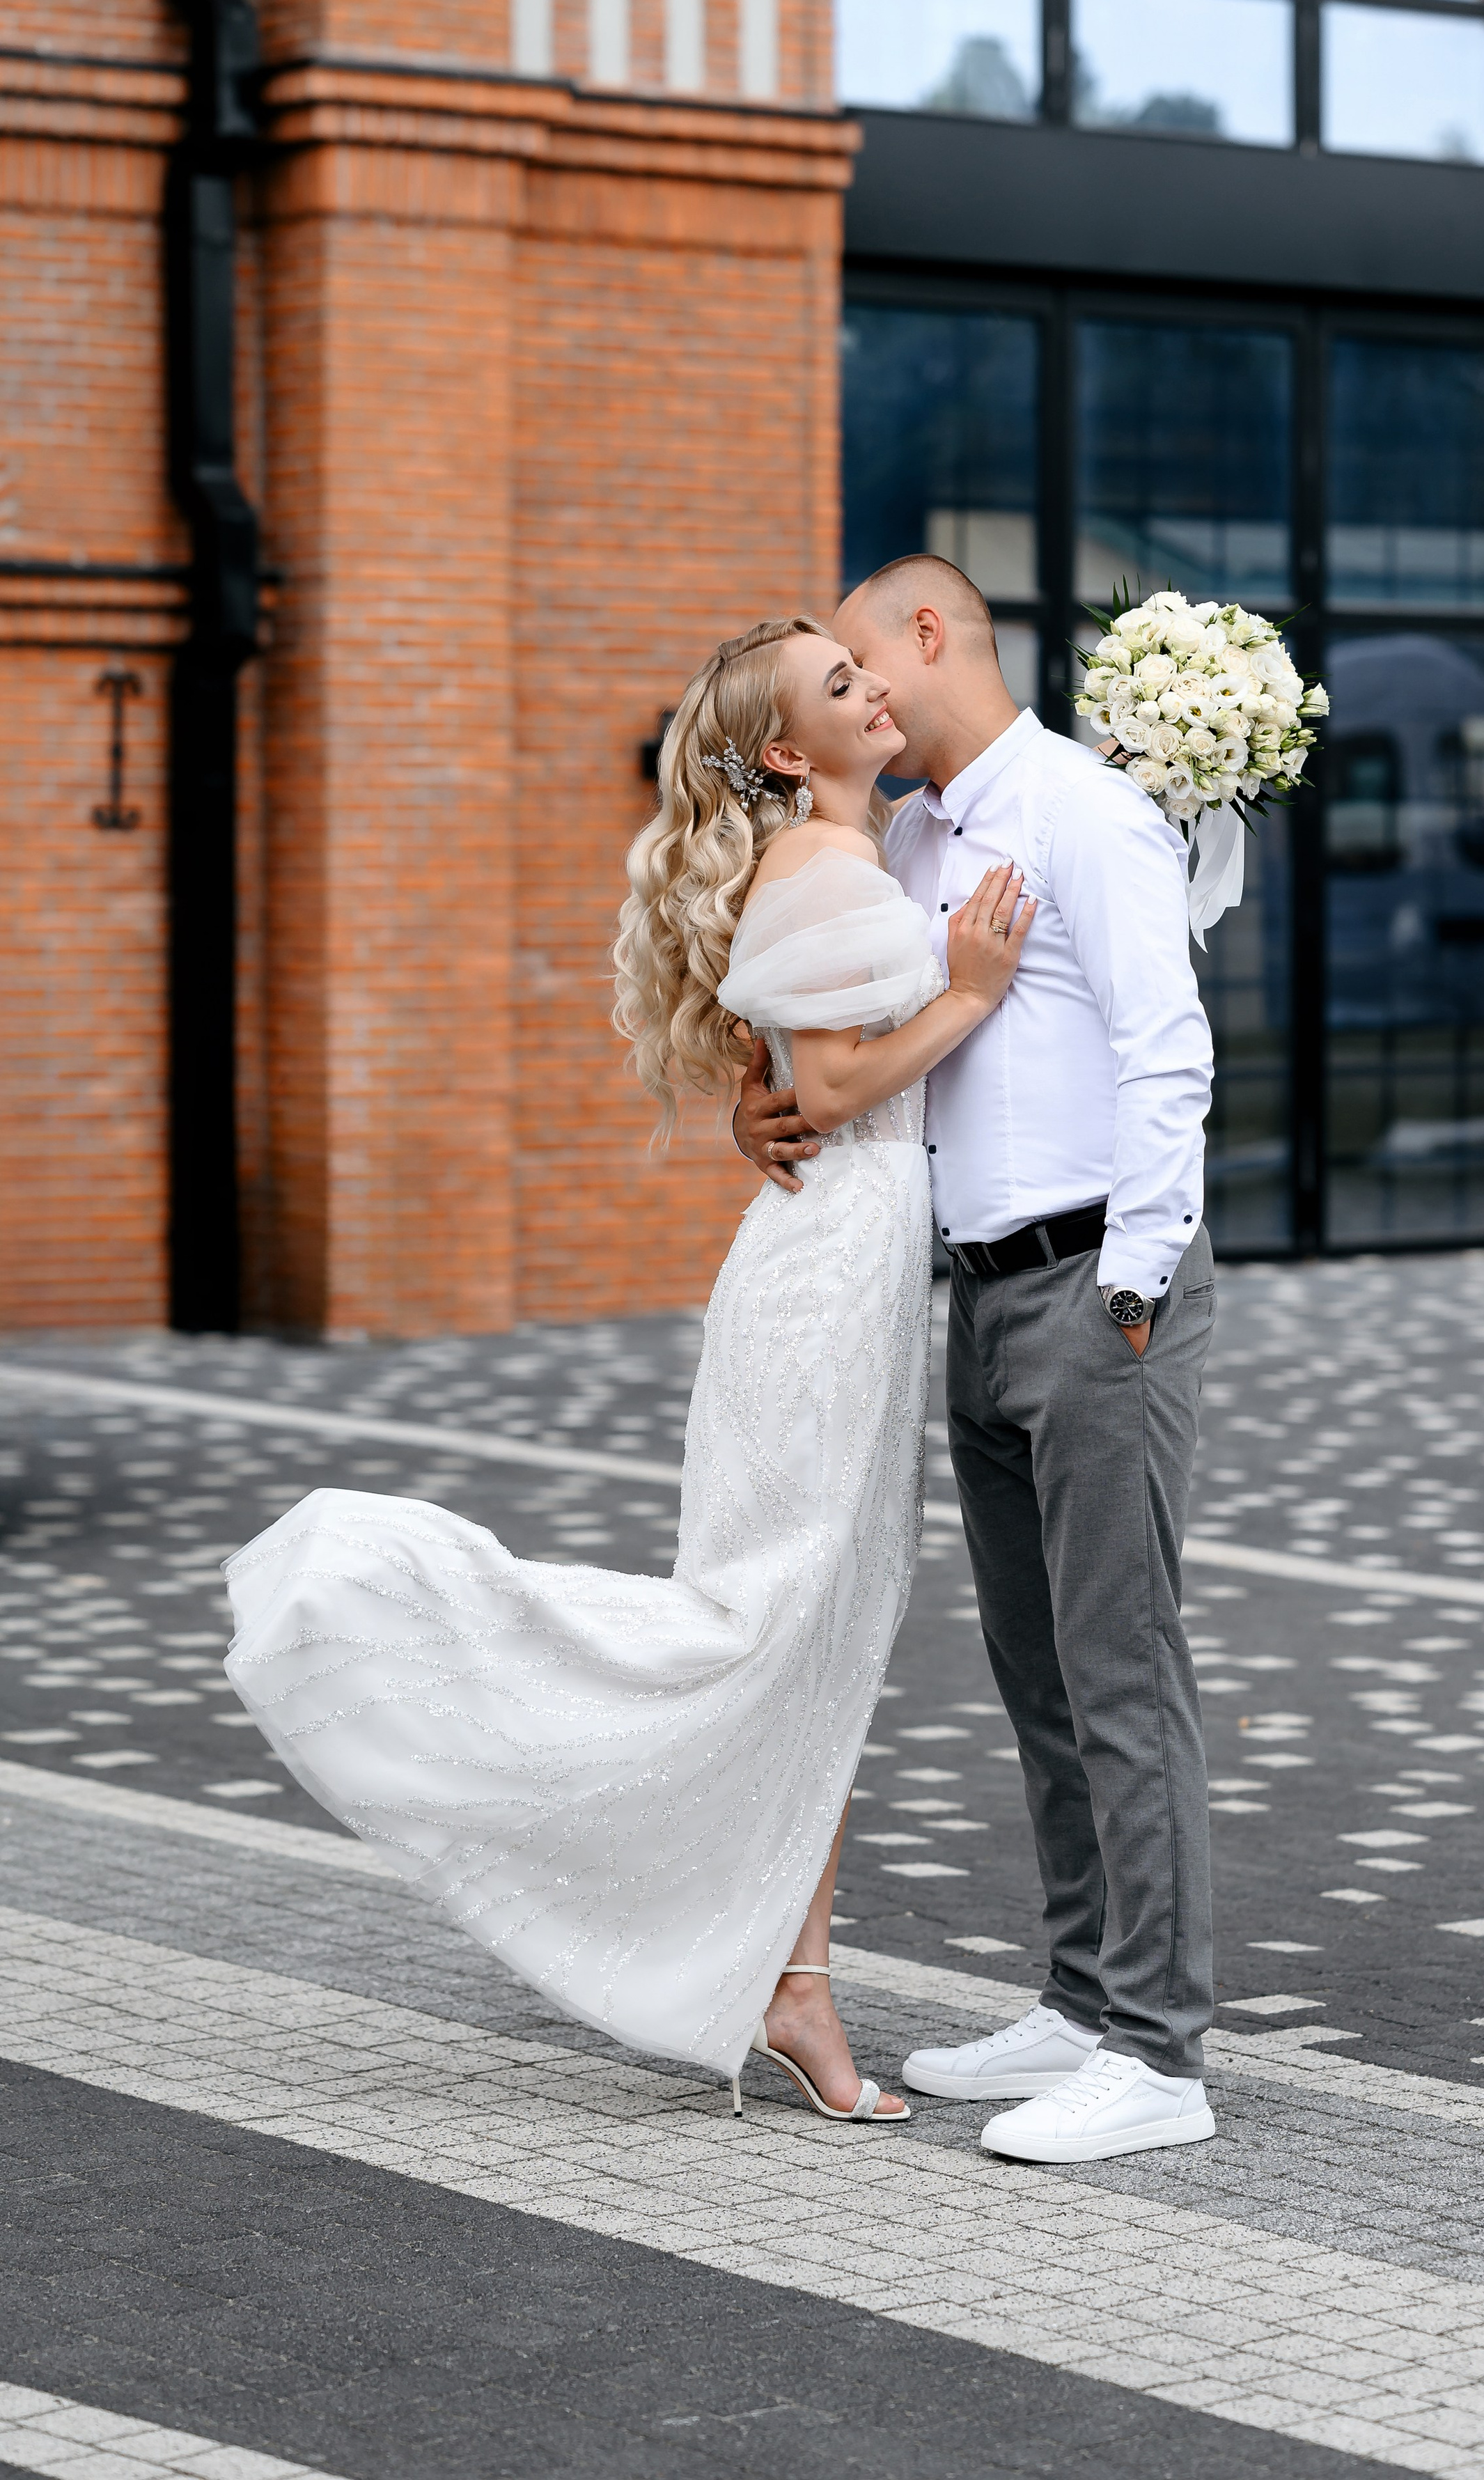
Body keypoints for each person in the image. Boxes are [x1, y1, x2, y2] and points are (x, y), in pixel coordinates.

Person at [223, 614, 1032, 2127]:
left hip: (847, 1269)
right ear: (789, 748)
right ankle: (392, 1599)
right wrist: (971, 991)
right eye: (844, 686)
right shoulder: (820, 870)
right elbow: (836, 1080)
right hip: (822, 1284)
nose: (878, 692)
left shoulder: (859, 849)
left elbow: (779, 1069)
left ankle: (794, 1980)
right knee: (762, 1622)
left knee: (823, 1640)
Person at [733, 556, 1219, 2165]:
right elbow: (855, 1038)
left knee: (1119, 1665)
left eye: (866, 659)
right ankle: (1081, 2000)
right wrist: (773, 1095)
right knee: (1038, 1673)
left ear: (926, 634)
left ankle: (1155, 2052)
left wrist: (1135, 1291)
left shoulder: (1080, 810)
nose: (862, 691)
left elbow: (1166, 1048)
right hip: (970, 1289)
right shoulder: (919, 831)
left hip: (1098, 1285)